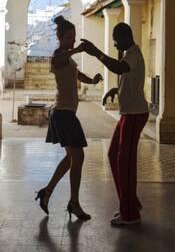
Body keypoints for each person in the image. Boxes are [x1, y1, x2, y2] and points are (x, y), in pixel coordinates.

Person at [80, 23, 149, 226]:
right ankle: (130, 203)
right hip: (129, 113)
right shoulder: (130, 53)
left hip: (135, 114)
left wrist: (95, 53)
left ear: (127, 36)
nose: (114, 42)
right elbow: (130, 80)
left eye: (116, 38)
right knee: (114, 155)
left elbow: (119, 68)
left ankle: (130, 215)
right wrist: (115, 90)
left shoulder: (133, 54)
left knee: (125, 163)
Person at [35, 15, 103, 221]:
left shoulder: (68, 57)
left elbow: (75, 73)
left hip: (67, 113)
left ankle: (47, 192)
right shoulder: (58, 55)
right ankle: (74, 203)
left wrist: (91, 80)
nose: (73, 42)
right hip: (63, 114)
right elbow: (57, 61)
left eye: (75, 38)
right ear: (61, 37)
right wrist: (77, 50)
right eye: (70, 38)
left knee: (70, 158)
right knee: (78, 157)